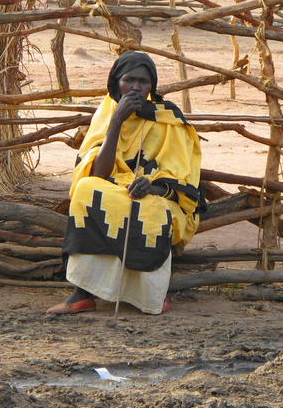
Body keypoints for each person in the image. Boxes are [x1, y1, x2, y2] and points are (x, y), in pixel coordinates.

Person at [47, 52, 203, 315]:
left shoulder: (168, 118)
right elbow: (97, 173)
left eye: (143, 82)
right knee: (86, 190)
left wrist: (152, 187)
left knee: (152, 210)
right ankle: (82, 294)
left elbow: (182, 179)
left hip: (157, 195)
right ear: (116, 82)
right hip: (114, 189)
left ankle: (152, 295)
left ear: (152, 85)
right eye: (129, 80)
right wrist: (117, 120)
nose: (136, 88)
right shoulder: (107, 112)